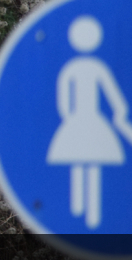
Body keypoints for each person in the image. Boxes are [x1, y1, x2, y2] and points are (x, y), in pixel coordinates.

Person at [46, 15, 132, 229]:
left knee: (80, 160)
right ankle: (89, 214)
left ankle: (79, 211)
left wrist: (69, 118)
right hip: (92, 121)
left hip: (76, 121)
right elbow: (114, 97)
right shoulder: (97, 67)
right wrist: (119, 112)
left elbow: (63, 101)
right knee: (92, 160)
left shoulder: (71, 68)